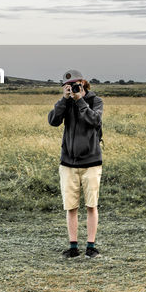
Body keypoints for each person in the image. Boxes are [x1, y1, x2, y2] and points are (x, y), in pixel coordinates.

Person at [48, 68, 104, 258]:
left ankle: (91, 246)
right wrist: (64, 100)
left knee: (91, 205)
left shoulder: (95, 101)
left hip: (91, 162)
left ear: (84, 83)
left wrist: (80, 100)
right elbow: (53, 121)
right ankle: (73, 247)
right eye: (68, 86)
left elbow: (94, 121)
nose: (72, 88)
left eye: (75, 85)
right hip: (68, 164)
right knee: (71, 206)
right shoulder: (66, 102)